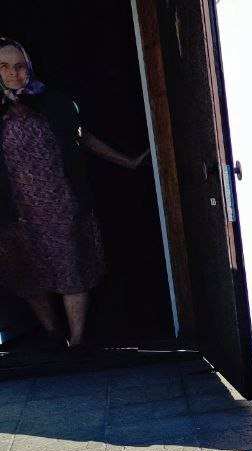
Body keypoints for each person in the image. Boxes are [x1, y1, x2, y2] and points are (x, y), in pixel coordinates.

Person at [0, 38, 147, 349]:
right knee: (28, 276)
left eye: (20, 66)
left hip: (61, 204)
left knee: (72, 269)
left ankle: (77, 341)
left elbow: (82, 138)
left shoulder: (53, 103)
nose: (13, 73)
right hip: (17, 212)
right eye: (4, 66)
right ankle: (53, 333)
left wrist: (127, 161)